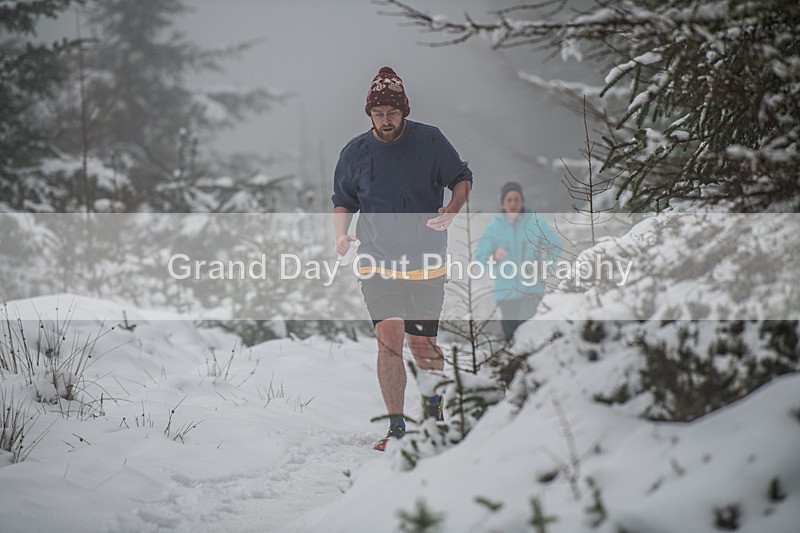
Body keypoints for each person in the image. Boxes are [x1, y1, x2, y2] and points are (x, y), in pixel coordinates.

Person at [332, 66, 473, 451]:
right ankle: (396, 427)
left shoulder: (430, 141)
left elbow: (462, 178)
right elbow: (343, 200)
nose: (385, 120)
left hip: (427, 260)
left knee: (422, 344)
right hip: (377, 261)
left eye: (392, 113)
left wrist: (453, 208)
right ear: (369, 114)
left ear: (404, 111)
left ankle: (433, 417)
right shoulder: (355, 153)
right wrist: (341, 234)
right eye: (378, 113)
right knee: (390, 337)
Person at [475, 181, 561, 341]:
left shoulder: (535, 222)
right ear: (503, 203)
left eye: (516, 199)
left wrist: (543, 267)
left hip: (532, 289)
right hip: (505, 291)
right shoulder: (495, 226)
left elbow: (556, 246)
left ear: (522, 201)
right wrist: (494, 256)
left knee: (529, 331)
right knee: (511, 335)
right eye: (509, 200)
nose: (513, 203)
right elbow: (480, 256)